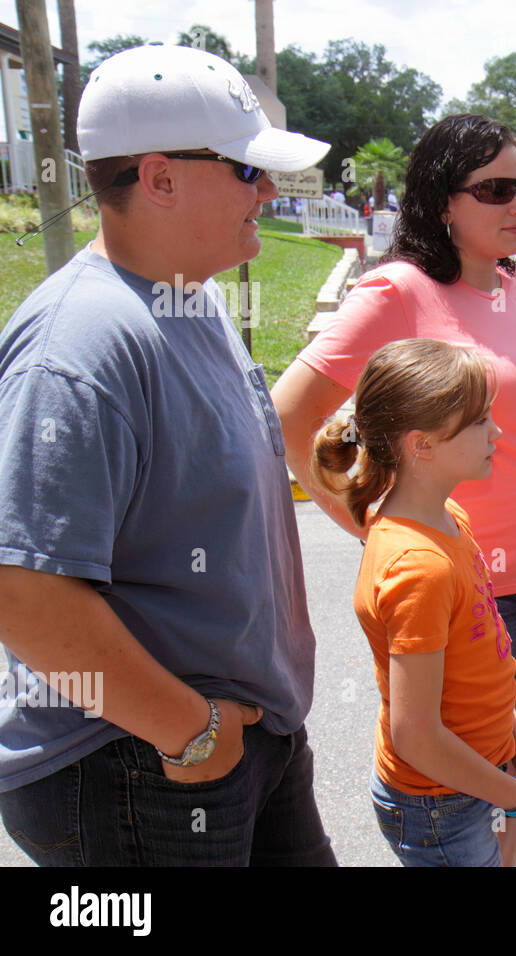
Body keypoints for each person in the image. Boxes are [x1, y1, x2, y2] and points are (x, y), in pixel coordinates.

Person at [0, 44, 335, 866]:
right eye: (248, 171)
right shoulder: (80, 345)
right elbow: (23, 594)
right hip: (138, 765)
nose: (268, 190)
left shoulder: (191, 295)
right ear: (159, 179)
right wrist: (193, 734)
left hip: (221, 742)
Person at [271, 114, 516, 868]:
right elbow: (292, 415)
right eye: (495, 189)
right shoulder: (400, 289)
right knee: (477, 794)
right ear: (442, 202)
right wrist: (377, 527)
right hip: (475, 585)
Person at [311, 339, 516, 866]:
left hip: (475, 779)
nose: (496, 432)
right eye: (477, 422)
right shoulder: (418, 566)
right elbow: (417, 736)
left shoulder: (448, 517)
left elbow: (484, 659)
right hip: (441, 803)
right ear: (421, 445)